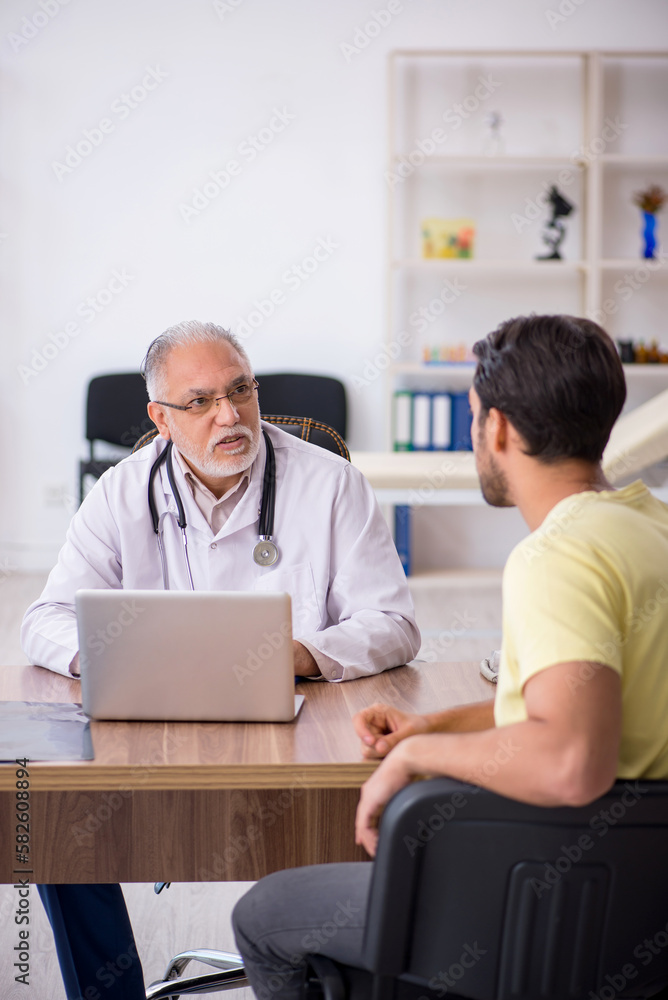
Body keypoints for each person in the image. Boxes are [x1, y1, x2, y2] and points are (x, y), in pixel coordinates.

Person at [232, 313, 668, 1000]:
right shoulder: (652, 527)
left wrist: (414, 758)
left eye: (473, 420)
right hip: (643, 899)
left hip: (552, 885)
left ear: (496, 428)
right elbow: (580, 703)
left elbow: (570, 759)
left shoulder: (556, 557)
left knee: (264, 914)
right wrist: (431, 728)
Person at [21, 320, 420, 1000]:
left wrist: (307, 652)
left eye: (240, 391)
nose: (230, 415)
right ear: (161, 418)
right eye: (200, 401)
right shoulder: (123, 491)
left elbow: (395, 623)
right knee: (54, 821)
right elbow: (43, 621)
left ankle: (322, 979)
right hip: (153, 738)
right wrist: (104, 657)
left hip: (297, 741)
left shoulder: (329, 485)